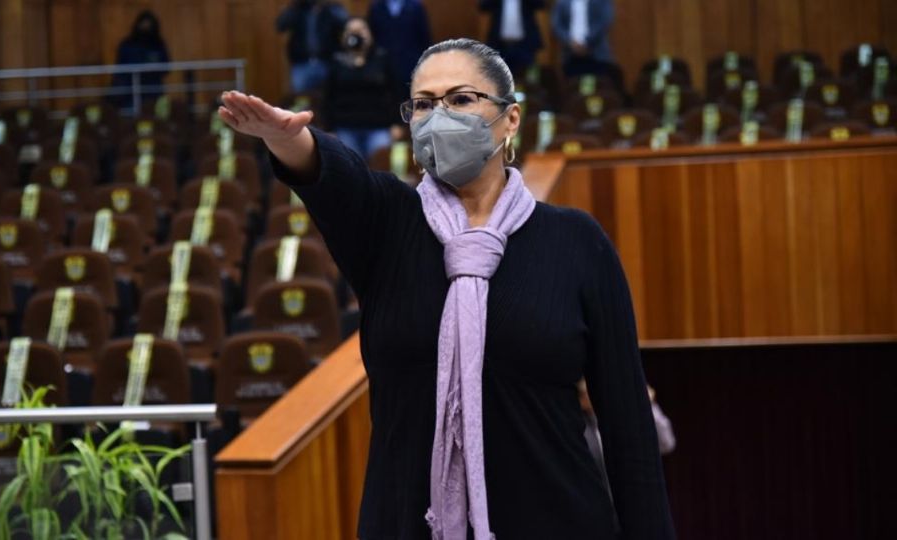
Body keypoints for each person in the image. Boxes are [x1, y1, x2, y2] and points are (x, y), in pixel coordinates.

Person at [219, 38, 675, 539]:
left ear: (511, 120)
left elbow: (629, 427)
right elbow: (337, 180)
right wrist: (287, 140)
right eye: (422, 104)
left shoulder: (576, 241)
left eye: (460, 99)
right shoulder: (388, 226)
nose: (439, 116)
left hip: (561, 520)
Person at [323, 18, 398, 160]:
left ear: (370, 34)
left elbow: (395, 92)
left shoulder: (382, 58)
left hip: (378, 126)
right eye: (352, 31)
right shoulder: (336, 61)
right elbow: (328, 97)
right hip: (345, 127)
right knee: (351, 171)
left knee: (380, 169)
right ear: (344, 36)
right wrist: (329, 129)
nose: (356, 35)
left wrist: (396, 123)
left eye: (361, 30)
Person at [276, 0, 349, 94]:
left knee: (331, 96)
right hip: (302, 63)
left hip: (328, 62)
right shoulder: (298, 9)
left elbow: (346, 24)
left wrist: (327, 7)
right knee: (300, 99)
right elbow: (280, 25)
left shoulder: (332, 8)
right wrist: (296, 5)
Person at [367, 0, 432, 103]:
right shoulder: (376, 6)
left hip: (411, 63)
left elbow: (424, 37)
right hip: (384, 66)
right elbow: (372, 36)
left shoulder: (416, 6)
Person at [110, 11, 171, 110]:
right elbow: (120, 67)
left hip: (153, 89)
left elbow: (166, 66)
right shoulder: (128, 44)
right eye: (143, 24)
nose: (145, 27)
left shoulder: (158, 44)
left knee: (154, 116)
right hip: (129, 91)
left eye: (148, 25)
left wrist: (152, 69)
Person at [478, 0, 546, 77]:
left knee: (529, 79)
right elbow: (483, 7)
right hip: (500, 46)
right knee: (499, 79)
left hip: (525, 46)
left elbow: (541, 4)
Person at [551, 0, 615, 78]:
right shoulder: (562, 2)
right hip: (570, 55)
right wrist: (570, 42)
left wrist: (585, 42)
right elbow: (557, 25)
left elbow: (604, 21)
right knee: (572, 86)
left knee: (598, 86)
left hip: (596, 54)